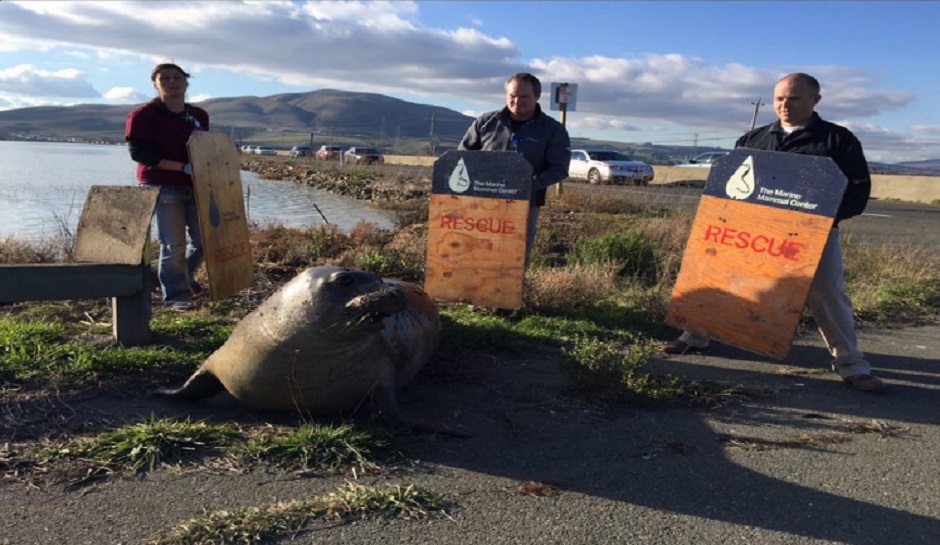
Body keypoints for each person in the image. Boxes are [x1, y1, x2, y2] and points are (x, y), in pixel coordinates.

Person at [664, 72, 885, 392]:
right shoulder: (753, 139)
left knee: (827, 292)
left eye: (793, 98)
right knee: (720, 278)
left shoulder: (838, 140)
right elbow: (728, 189)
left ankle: (851, 363)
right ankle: (696, 335)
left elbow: (857, 191)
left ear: (815, 100)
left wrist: (819, 223)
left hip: (812, 238)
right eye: (779, 98)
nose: (785, 105)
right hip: (750, 234)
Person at [458, 73, 571, 264]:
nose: (517, 101)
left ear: (537, 96)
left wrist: (527, 185)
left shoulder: (553, 130)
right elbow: (462, 157)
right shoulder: (486, 122)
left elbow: (559, 169)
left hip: (525, 203)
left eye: (524, 96)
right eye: (512, 95)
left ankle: (511, 294)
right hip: (482, 201)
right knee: (475, 251)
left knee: (514, 257)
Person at [125, 62, 209, 311]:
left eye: (177, 77)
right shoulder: (143, 115)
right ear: (155, 84)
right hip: (162, 186)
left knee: (205, 241)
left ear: (186, 82)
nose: (172, 82)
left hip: (195, 186)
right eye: (165, 78)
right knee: (173, 245)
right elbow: (139, 153)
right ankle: (176, 296)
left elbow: (205, 148)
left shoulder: (199, 115)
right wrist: (180, 167)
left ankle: (182, 279)